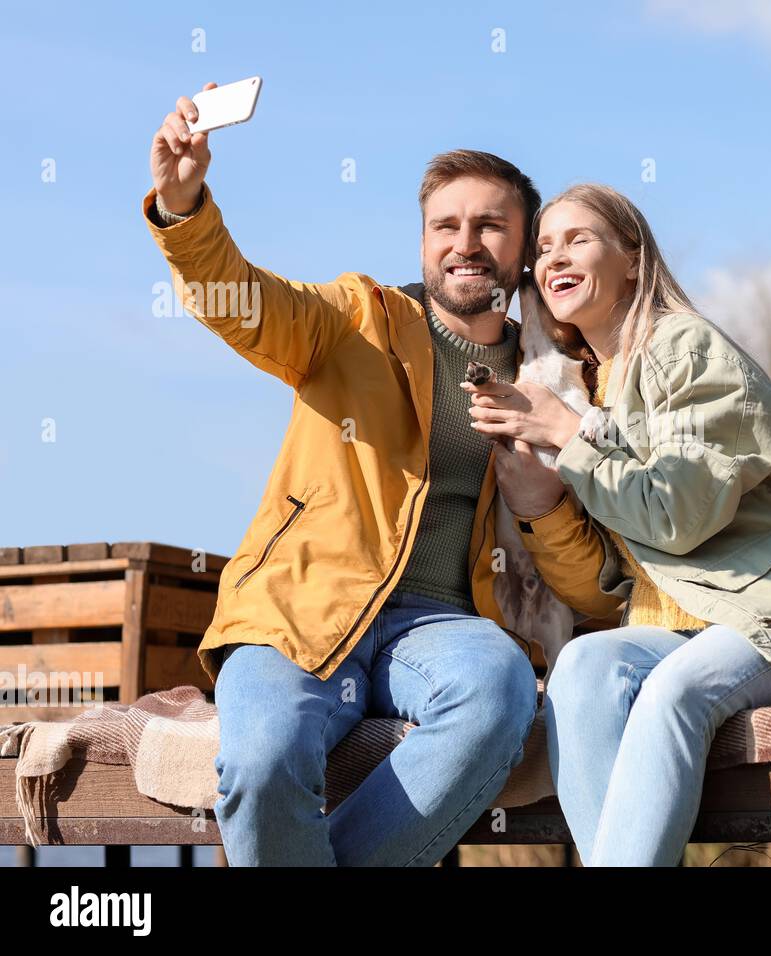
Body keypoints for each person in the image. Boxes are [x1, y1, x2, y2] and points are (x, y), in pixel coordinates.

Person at [144, 84, 623, 865]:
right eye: (446, 225)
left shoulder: (563, 385)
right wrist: (184, 205)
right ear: (425, 238)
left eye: (490, 225)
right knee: (261, 764)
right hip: (302, 608)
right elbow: (239, 300)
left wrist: (541, 508)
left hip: (443, 630)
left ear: (525, 246)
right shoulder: (354, 320)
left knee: (501, 688)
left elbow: (593, 585)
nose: (465, 242)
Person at [463, 183, 771, 866]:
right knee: (581, 665)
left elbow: (675, 514)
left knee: (673, 694)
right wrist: (537, 500)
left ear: (633, 259)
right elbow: (605, 583)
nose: (554, 258)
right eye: (543, 248)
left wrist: (569, 437)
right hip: (678, 628)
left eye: (579, 238)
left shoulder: (688, 350)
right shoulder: (592, 387)